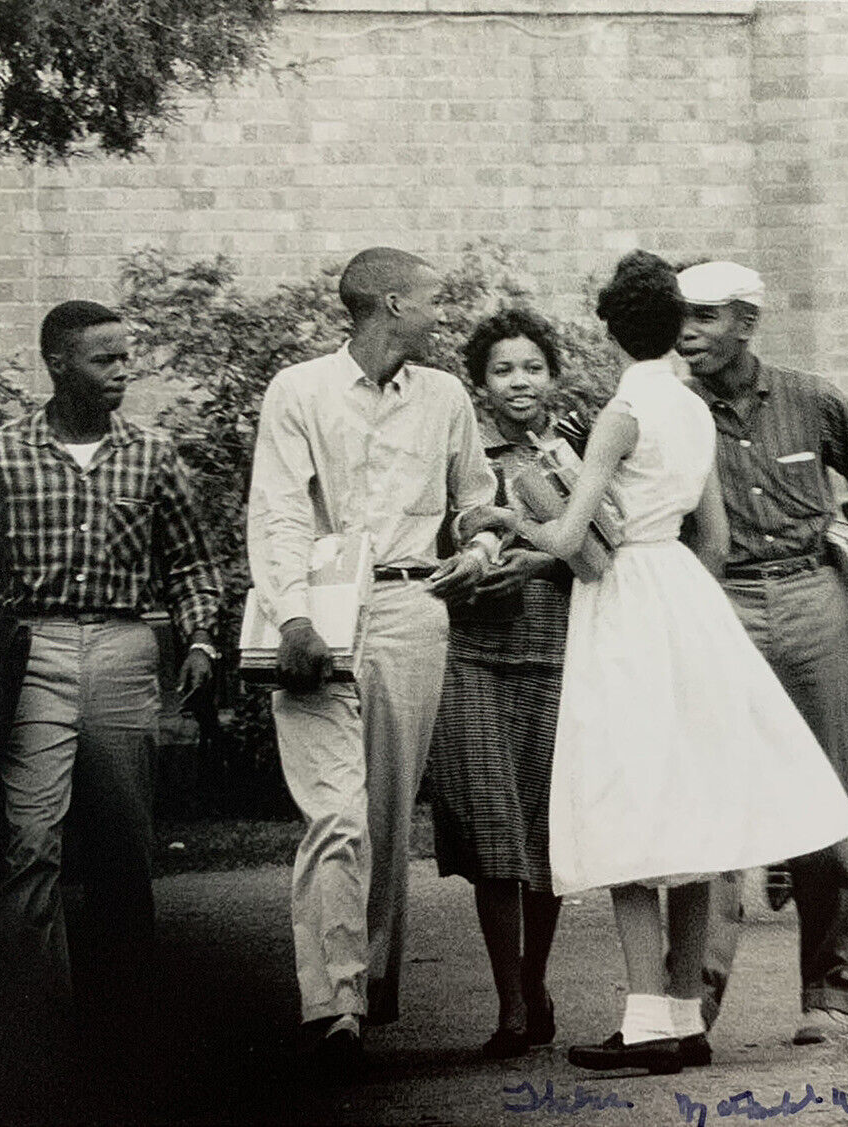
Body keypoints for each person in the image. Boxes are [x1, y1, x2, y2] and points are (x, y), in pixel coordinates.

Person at [492, 250, 848, 1075]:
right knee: (690, 809)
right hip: (686, 599)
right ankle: (687, 1014)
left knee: (629, 810)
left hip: (626, 599)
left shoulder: (624, 410)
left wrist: (510, 506)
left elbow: (563, 535)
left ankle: (647, 1018)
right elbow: (719, 543)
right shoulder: (694, 406)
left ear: (609, 328)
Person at [246, 247, 501, 1071]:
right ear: (391, 303)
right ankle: (334, 1004)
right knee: (335, 813)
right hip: (315, 616)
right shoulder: (300, 390)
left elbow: (475, 500)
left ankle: (366, 990)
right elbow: (279, 511)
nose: (441, 314)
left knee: (385, 816)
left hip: (410, 607)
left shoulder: (445, 396)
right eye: (431, 301)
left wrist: (479, 547)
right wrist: (292, 616)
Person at [674, 259, 848, 1046]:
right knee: (713, 805)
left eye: (707, 315)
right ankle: (693, 1004)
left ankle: (828, 989)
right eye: (681, 314)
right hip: (720, 602)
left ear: (747, 322)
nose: (688, 329)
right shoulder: (675, 410)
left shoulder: (811, 398)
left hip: (812, 595)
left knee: (823, 797)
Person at [0, 300, 221, 1047]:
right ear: (58, 362)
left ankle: (125, 1017)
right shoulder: (1, 453)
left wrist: (202, 636)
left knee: (123, 843)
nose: (123, 372)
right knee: (30, 837)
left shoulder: (150, 452)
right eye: (104, 359)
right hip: (35, 648)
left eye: (127, 357)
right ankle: (33, 1021)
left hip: (123, 648)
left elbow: (189, 559)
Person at [427, 308, 570, 1060]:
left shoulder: (579, 449)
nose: (520, 382)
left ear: (554, 374)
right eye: (503, 370)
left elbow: (608, 547)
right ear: (480, 384)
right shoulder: (462, 453)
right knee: (491, 827)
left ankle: (536, 979)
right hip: (474, 653)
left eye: (532, 367)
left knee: (545, 832)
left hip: (556, 652)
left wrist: (542, 561)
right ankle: (511, 1002)